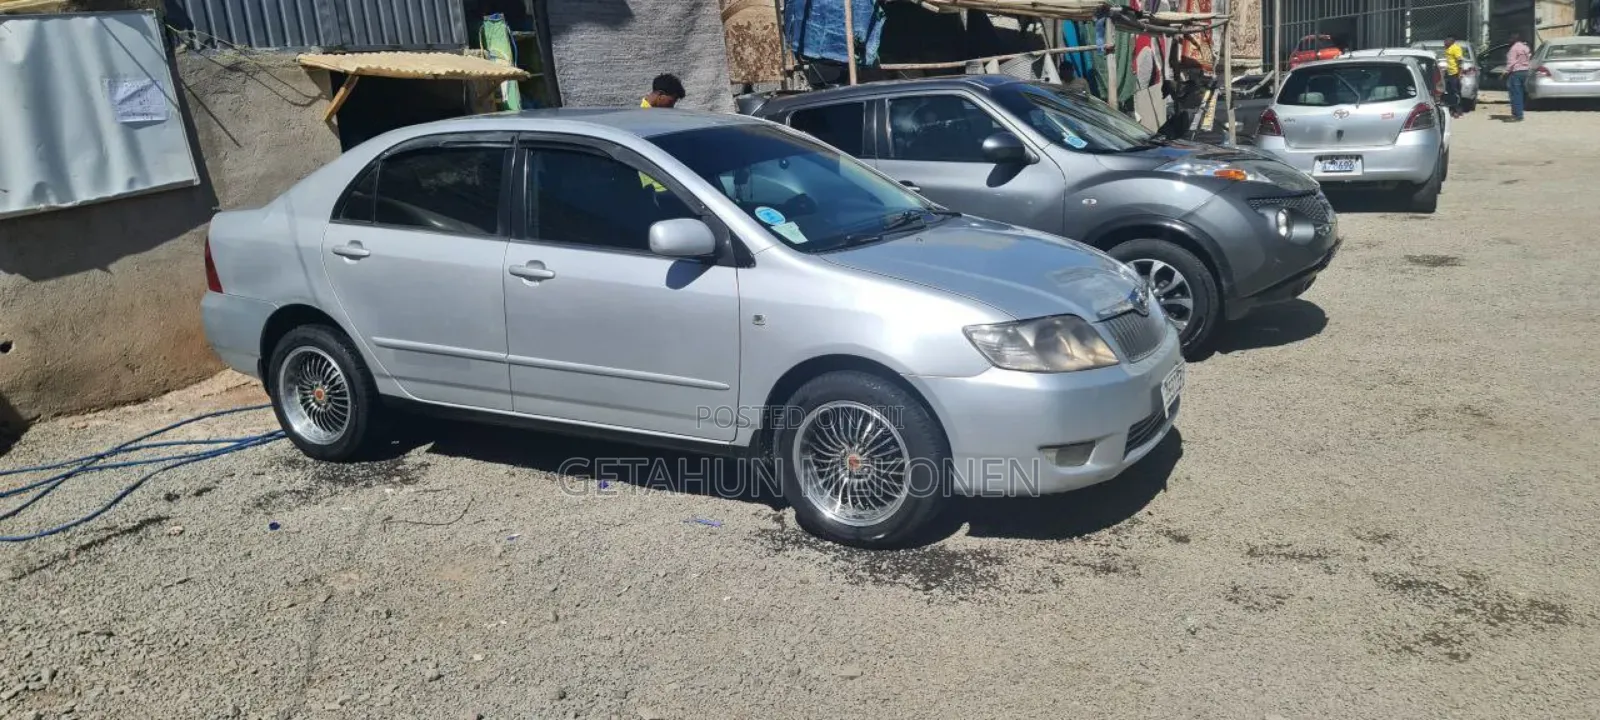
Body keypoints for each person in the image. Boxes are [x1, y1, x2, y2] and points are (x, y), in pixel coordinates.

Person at [1504, 33, 1532, 122]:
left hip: (1516, 72)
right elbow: (1529, 58)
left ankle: (1518, 115)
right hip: (1525, 71)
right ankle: (1519, 112)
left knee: (1516, 94)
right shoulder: (1525, 47)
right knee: (1522, 93)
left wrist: (1505, 72)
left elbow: (1511, 62)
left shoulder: (1513, 49)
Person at [1442, 35, 1465, 118]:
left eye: (1446, 41)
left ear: (1451, 41)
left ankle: (1458, 111)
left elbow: (1460, 61)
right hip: (1449, 73)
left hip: (1454, 74)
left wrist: (1460, 74)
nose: (1444, 42)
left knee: (1456, 93)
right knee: (1449, 92)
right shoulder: (1448, 48)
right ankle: (1452, 110)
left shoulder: (1455, 48)